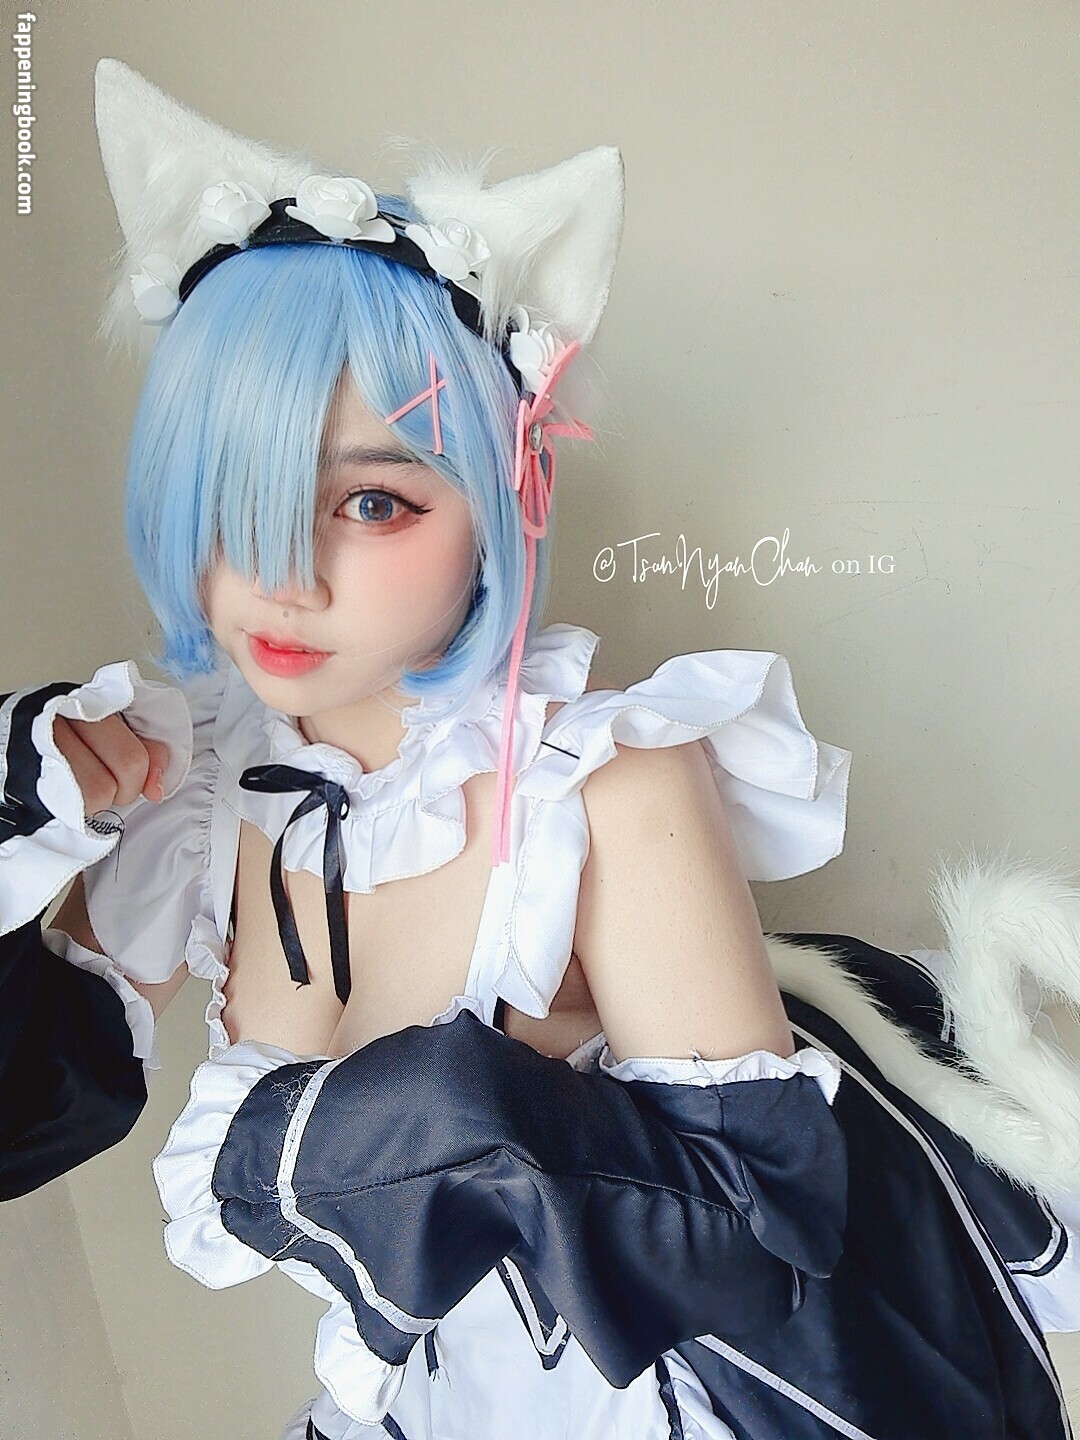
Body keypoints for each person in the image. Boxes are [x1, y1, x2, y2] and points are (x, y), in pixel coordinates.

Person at [1, 56, 1078, 1440]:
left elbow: (763, 1233)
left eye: (372, 503)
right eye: (231, 492)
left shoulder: (607, 782)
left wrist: (432, 1122)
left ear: (510, 493)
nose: (278, 573)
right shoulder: (196, 794)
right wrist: (18, 839)